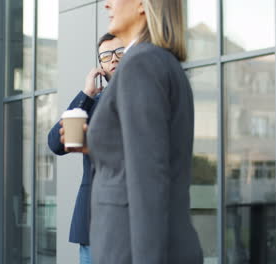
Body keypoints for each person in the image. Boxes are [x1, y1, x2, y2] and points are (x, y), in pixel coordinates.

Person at [80, 0, 203, 263]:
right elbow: (143, 155)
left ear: (141, 4)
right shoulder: (157, 61)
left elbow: (149, 178)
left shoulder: (141, 63)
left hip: (131, 251)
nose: (106, 5)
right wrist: (95, 144)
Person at [47, 33, 124, 264]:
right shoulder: (93, 102)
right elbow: (55, 144)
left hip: (127, 219)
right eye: (106, 56)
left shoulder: (144, 95)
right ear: (100, 64)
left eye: (120, 53)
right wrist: (86, 94)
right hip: (91, 220)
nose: (113, 60)